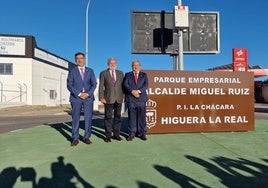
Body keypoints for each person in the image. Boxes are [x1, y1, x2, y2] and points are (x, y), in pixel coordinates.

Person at [67, 52, 97, 146]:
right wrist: (79, 94)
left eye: (81, 58)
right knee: (75, 118)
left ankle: (87, 137)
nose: (79, 60)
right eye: (77, 58)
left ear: (84, 59)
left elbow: (94, 84)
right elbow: (69, 85)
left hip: (88, 98)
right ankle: (75, 138)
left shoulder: (90, 71)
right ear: (75, 60)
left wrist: (87, 93)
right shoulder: (72, 71)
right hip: (76, 98)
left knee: (88, 118)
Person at [99, 58, 124, 142]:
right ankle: (108, 136)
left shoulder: (120, 73)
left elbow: (123, 86)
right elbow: (101, 86)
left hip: (119, 98)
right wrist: (101, 97)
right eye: (111, 63)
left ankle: (116, 135)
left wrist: (124, 96)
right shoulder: (103, 73)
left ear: (116, 64)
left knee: (118, 117)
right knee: (108, 117)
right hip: (108, 99)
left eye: (114, 63)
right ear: (108, 64)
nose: (112, 64)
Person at [123, 60, 149, 141]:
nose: (135, 66)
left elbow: (146, 85)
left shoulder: (144, 75)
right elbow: (125, 84)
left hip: (141, 99)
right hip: (131, 99)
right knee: (132, 117)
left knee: (142, 117)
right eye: (134, 65)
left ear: (140, 66)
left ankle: (142, 133)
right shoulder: (127, 75)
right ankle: (132, 134)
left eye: (137, 65)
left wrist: (138, 91)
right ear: (132, 66)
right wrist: (132, 91)